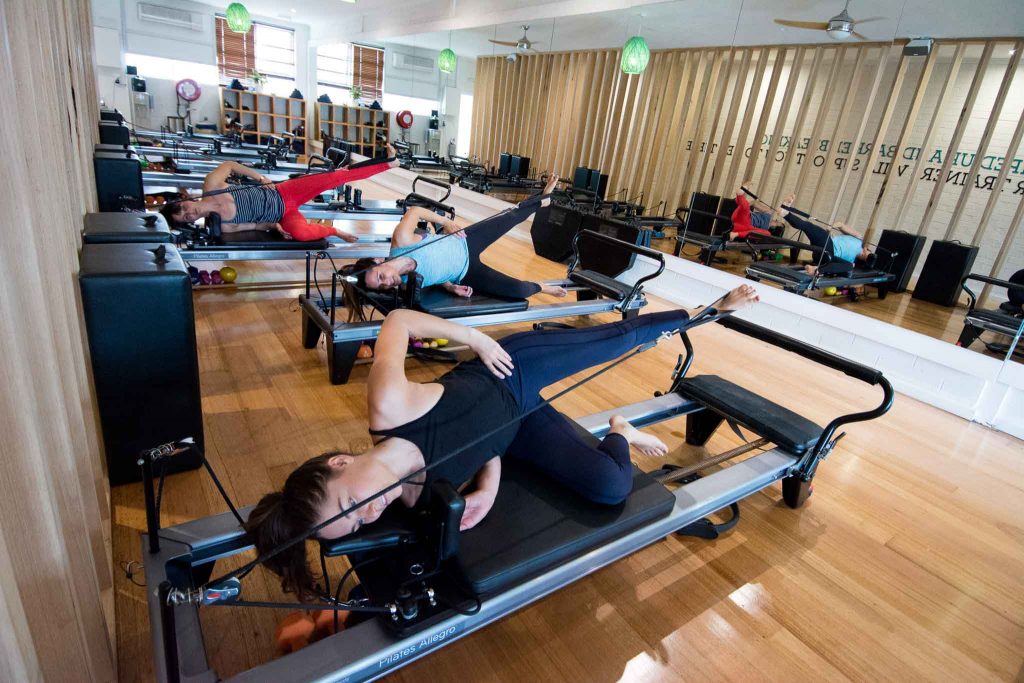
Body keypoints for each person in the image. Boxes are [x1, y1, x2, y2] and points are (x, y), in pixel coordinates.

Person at [244, 284, 761, 598]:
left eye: (351, 503)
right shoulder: (418, 499)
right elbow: (480, 446)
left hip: (506, 370)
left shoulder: (388, 407)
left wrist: (473, 337)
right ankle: (621, 431)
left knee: (614, 340)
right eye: (356, 523)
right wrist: (488, 487)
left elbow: (398, 321)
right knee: (608, 486)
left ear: (339, 461)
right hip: (517, 425)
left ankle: (703, 312)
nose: (368, 514)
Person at [354, 174, 567, 300]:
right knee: (519, 290)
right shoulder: (405, 286)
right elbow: (435, 272)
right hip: (466, 273)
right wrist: (449, 286)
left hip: (464, 241)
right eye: (382, 287)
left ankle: (542, 200)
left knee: (510, 217)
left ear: (378, 261)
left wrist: (446, 222)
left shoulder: (401, 242)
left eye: (381, 276)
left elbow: (414, 211)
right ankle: (543, 286)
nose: (387, 282)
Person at [160, 146, 399, 242]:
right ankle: (335, 230)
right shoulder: (221, 225)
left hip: (285, 191)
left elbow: (231, 164)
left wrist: (260, 178)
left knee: (337, 177)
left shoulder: (211, 185)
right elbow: (256, 226)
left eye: (183, 209)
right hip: (283, 212)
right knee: (302, 234)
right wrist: (274, 227)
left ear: (184, 201)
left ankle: (389, 162)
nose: (190, 213)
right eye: (187, 219)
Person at [778, 193, 872, 275]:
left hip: (828, 256)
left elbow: (841, 266)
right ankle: (785, 213)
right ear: (866, 249)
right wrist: (830, 227)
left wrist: (853, 264)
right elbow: (840, 225)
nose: (867, 255)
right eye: (869, 253)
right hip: (828, 242)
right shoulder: (858, 238)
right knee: (808, 226)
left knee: (850, 266)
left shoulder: (852, 261)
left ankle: (817, 270)